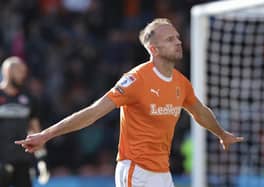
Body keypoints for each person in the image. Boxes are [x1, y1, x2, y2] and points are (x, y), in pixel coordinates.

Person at [15, 18, 244, 187]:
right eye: (170, 39)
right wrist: (45, 135)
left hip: (163, 173)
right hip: (136, 171)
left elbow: (200, 112)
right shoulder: (135, 80)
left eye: (177, 37)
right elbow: (93, 112)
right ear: (154, 50)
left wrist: (221, 133)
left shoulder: (180, 83)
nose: (179, 41)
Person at [0, 56, 43, 187]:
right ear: (8, 71)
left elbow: (36, 130)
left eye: (24, 72)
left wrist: (41, 159)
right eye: (19, 71)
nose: (23, 75)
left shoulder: (29, 98)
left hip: (22, 162)